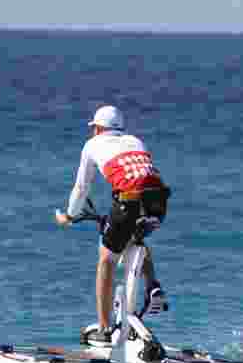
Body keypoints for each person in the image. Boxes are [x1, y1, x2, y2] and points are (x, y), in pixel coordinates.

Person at [54, 105, 171, 343]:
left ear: (97, 128)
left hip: (128, 202)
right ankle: (153, 285)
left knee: (106, 260)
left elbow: (81, 188)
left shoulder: (92, 144)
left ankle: (105, 329)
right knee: (134, 238)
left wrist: (69, 214)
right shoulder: (135, 141)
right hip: (158, 201)